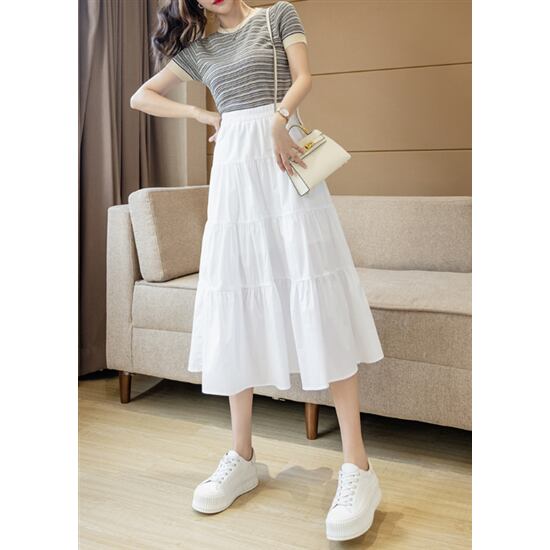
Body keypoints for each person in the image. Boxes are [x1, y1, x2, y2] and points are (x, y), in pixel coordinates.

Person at [131, 0, 384, 541]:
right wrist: (202, 116)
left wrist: (277, 119)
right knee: (237, 298)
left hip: (283, 155)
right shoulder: (200, 49)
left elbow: (304, 76)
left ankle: (358, 467)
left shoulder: (276, 16)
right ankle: (242, 455)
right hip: (234, 172)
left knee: (318, 295)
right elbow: (141, 96)